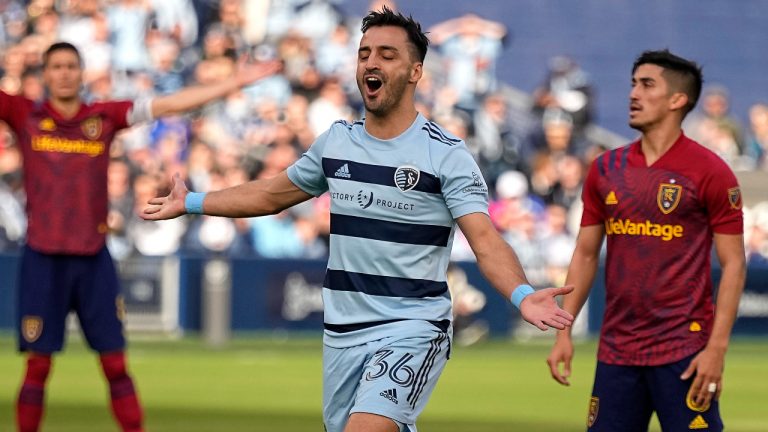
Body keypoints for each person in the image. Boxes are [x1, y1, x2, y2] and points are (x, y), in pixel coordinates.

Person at [142, 7, 574, 432]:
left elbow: (486, 240)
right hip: (342, 332)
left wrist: (522, 295)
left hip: (413, 326)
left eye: (387, 54)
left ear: (415, 72)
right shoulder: (336, 143)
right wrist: (194, 201)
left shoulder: (446, 154)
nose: (371, 61)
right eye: (365, 53)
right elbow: (271, 194)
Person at [0, 41, 280, 432]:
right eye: (56, 66)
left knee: (115, 363)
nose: (63, 73)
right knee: (38, 365)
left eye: (70, 66)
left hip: (93, 258)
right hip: (43, 258)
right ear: (44, 74)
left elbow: (170, 104)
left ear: (82, 73)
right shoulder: (24, 113)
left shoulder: (102, 116)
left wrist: (233, 82)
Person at [546, 49, 746, 432]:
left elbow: (734, 264)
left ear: (677, 99)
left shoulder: (711, 172)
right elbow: (586, 254)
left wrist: (716, 349)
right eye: (633, 84)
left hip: (685, 351)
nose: (633, 94)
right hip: (617, 351)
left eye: (647, 85)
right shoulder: (606, 168)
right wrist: (563, 331)